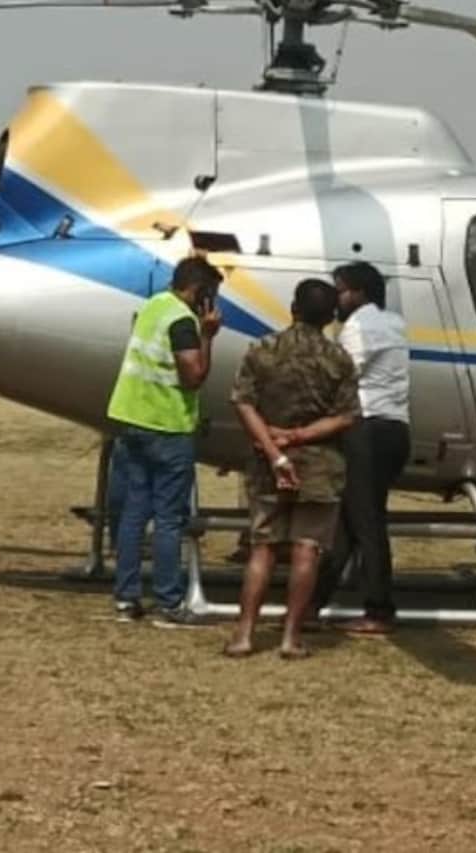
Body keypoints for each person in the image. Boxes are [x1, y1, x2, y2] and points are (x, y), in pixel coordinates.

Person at [224, 278, 359, 659]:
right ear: (331, 316)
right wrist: (298, 436)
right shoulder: (338, 359)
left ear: (293, 308)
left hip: (267, 465)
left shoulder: (263, 349)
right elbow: (346, 416)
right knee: (306, 549)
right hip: (319, 465)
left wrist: (273, 449)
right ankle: (290, 637)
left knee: (262, 548)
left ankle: (244, 634)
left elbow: (243, 403)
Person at [107, 256, 224, 628]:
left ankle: (126, 598)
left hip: (132, 419)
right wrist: (208, 336)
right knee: (169, 518)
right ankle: (169, 602)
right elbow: (194, 376)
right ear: (200, 291)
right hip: (167, 427)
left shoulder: (153, 306)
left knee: (134, 513)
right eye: (212, 294)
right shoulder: (182, 322)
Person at [311, 261, 411, 635]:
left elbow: (339, 376)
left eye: (341, 291)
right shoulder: (395, 323)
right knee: (349, 523)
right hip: (394, 428)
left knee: (366, 523)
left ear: (359, 293)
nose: (336, 299)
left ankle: (379, 609)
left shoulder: (359, 328)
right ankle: (313, 603)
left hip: (367, 429)